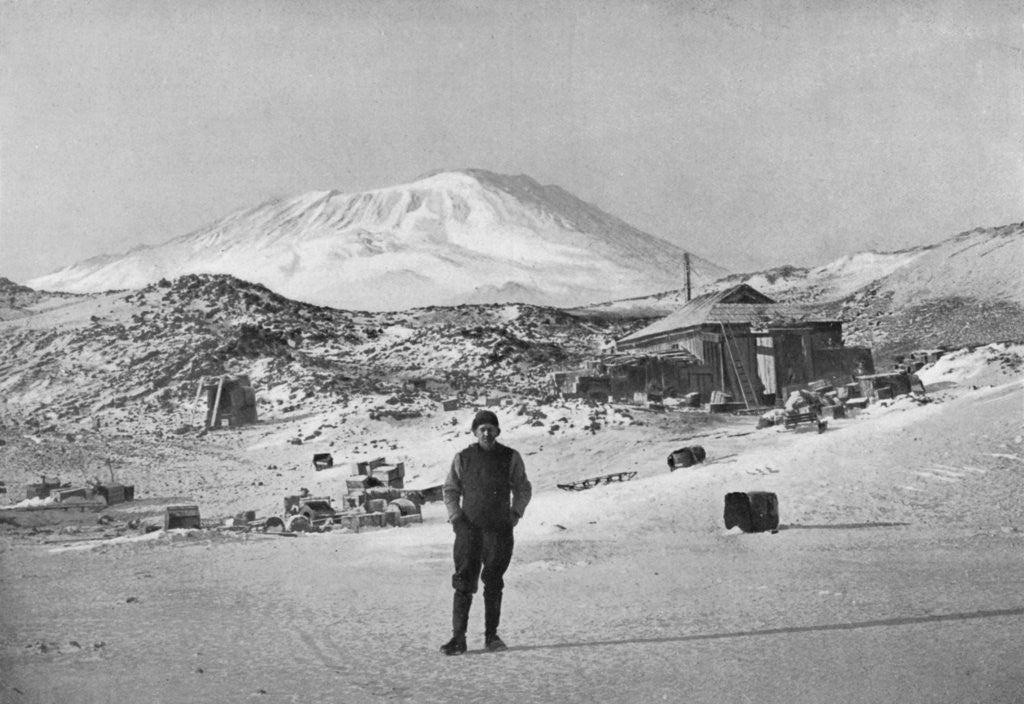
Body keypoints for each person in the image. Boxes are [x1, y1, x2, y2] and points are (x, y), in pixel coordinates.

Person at [439, 409, 532, 655]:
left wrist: (515, 514)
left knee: (493, 583)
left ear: (498, 431)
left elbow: (523, 488)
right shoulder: (463, 458)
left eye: (491, 429)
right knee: (463, 582)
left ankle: (492, 637)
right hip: (469, 531)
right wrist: (456, 517)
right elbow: (450, 489)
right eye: (482, 429)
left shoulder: (510, 457)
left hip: (499, 531)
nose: (487, 433)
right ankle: (458, 638)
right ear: (475, 432)